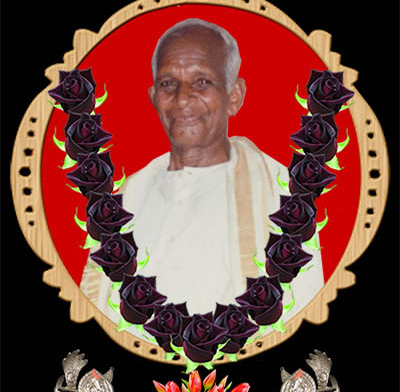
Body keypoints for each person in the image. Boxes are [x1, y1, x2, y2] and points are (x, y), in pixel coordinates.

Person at [81, 18, 323, 324]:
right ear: (153, 97)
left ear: (234, 96)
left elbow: (305, 313)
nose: (182, 98)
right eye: (168, 83)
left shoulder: (284, 195)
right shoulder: (127, 197)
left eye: (202, 82)